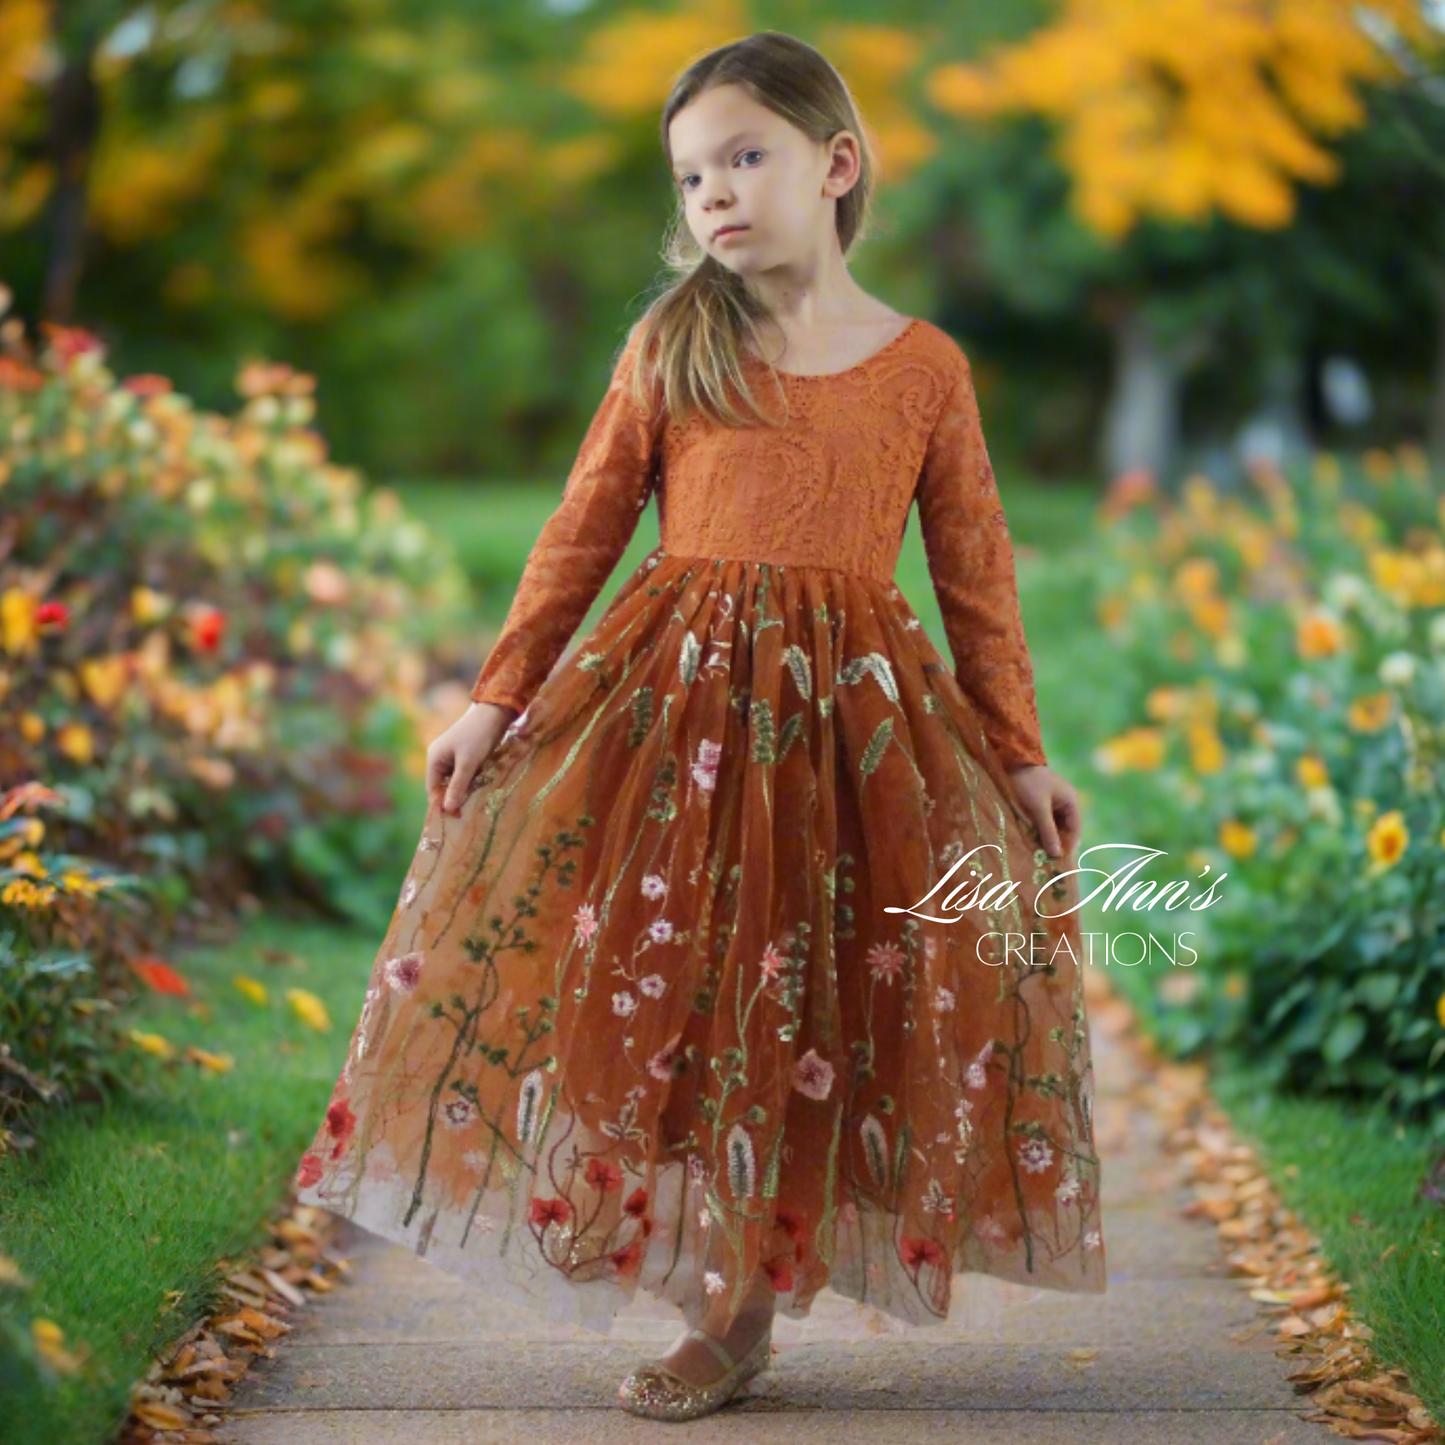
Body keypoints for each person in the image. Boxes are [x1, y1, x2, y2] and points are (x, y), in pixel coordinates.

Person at [292, 29, 1106, 1424]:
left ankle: (743, 1306)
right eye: (689, 175)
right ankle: (708, 1297)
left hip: (850, 746)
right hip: (673, 731)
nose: (714, 194)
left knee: (804, 1007)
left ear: (835, 165)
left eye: (745, 158)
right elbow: (583, 527)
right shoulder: (675, 342)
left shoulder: (924, 372)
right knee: (662, 998)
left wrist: (1020, 752)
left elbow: (976, 573)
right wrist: (495, 696)